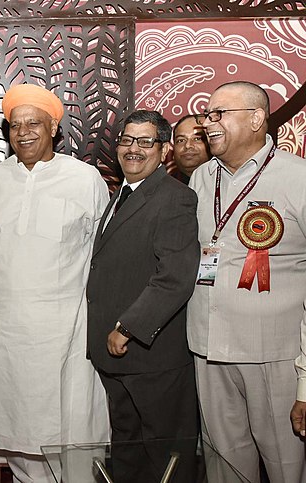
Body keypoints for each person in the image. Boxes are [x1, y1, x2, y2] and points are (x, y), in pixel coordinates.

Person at [0, 83, 110, 482]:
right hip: (10, 330)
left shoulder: (84, 179)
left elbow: (103, 255)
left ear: (53, 128)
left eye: (34, 123)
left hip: (68, 329)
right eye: (16, 125)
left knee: (71, 429)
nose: (24, 132)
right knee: (19, 431)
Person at [189, 80, 306, 483]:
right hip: (207, 349)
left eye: (219, 113)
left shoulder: (299, 178)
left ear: (257, 118)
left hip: (275, 354)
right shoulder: (202, 177)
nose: (208, 123)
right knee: (224, 465)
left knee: (285, 467)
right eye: (208, 115)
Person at [87, 110, 200, 482]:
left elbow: (174, 278)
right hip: (117, 359)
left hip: (153, 358)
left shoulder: (175, 198)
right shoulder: (121, 194)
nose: (133, 149)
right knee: (128, 455)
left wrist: (128, 327)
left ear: (164, 149)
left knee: (166, 460)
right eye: (126, 140)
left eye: (145, 141)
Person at [171, 114, 210, 184]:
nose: (188, 145)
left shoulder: (227, 183)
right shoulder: (160, 190)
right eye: (181, 140)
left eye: (197, 139)